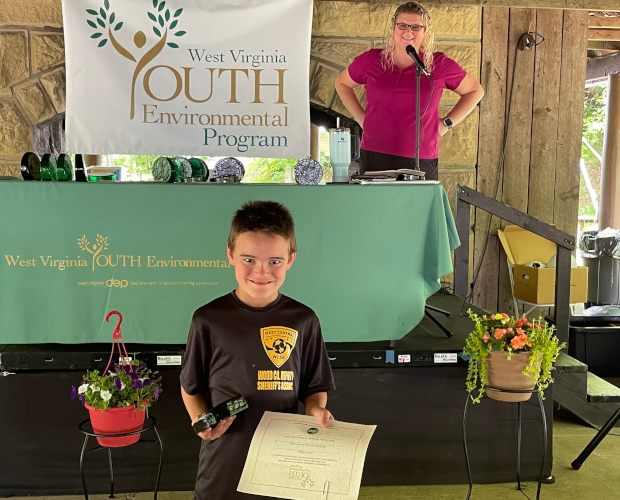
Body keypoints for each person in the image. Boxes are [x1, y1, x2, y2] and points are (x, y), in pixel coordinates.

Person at [180, 200, 336, 500]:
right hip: (223, 465)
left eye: (274, 261)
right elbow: (190, 387)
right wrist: (201, 422)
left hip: (283, 463)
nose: (261, 272)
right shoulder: (208, 319)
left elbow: (314, 387)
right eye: (249, 259)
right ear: (230, 255)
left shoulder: (304, 319)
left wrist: (316, 409)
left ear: (290, 259)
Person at [335, 1, 484, 180]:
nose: (408, 32)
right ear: (393, 28)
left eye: (416, 27)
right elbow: (342, 83)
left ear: (425, 31)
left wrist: (446, 124)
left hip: (421, 158)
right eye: (403, 25)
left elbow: (475, 91)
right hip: (375, 154)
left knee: (417, 208)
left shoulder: (438, 64)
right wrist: (361, 118)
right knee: (377, 208)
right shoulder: (371, 60)